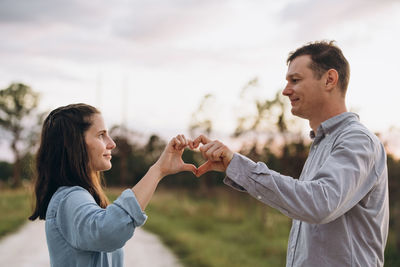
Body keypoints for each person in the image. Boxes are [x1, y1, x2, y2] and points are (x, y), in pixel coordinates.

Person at [192, 41, 389, 266]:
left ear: (329, 80)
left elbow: (319, 203)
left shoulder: (358, 141)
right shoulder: (322, 144)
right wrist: (233, 167)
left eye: (295, 80)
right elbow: (306, 202)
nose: (285, 91)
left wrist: (240, 166)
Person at [29, 103, 196, 267]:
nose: (112, 143)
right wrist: (158, 170)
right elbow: (108, 231)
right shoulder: (70, 197)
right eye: (101, 135)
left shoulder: (77, 195)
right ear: (74, 143)